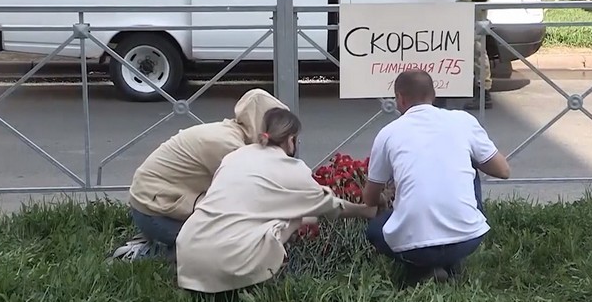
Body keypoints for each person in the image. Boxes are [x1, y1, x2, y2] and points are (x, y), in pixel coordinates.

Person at [175, 108, 378, 294]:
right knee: (295, 216)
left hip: (187, 252)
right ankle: (254, 284)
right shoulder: (294, 170)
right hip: (230, 263)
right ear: (291, 139)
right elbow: (330, 206)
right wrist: (366, 210)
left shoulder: (235, 156)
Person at [362, 69, 510, 287]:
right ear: (433, 94)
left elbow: (369, 198)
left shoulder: (389, 133)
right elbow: (503, 170)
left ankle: (424, 269)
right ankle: (448, 262)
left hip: (412, 246)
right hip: (467, 239)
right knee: (472, 161)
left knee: (375, 230)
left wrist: (385, 198)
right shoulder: (462, 121)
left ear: (400, 98)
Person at [110, 88, 289, 261]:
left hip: (157, 204)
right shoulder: (230, 146)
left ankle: (162, 240)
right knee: (230, 245)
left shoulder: (230, 133)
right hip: (155, 212)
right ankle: (147, 254)